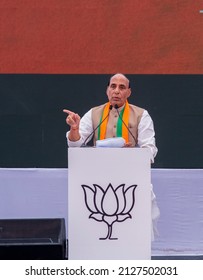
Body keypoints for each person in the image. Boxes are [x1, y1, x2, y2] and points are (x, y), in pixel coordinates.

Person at [63, 73, 160, 239]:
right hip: (96, 180)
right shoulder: (94, 113)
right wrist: (74, 129)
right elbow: (75, 144)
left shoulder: (141, 115)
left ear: (128, 92)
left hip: (131, 180)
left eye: (122, 87)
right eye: (113, 86)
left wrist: (133, 154)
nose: (116, 91)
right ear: (107, 90)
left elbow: (150, 150)